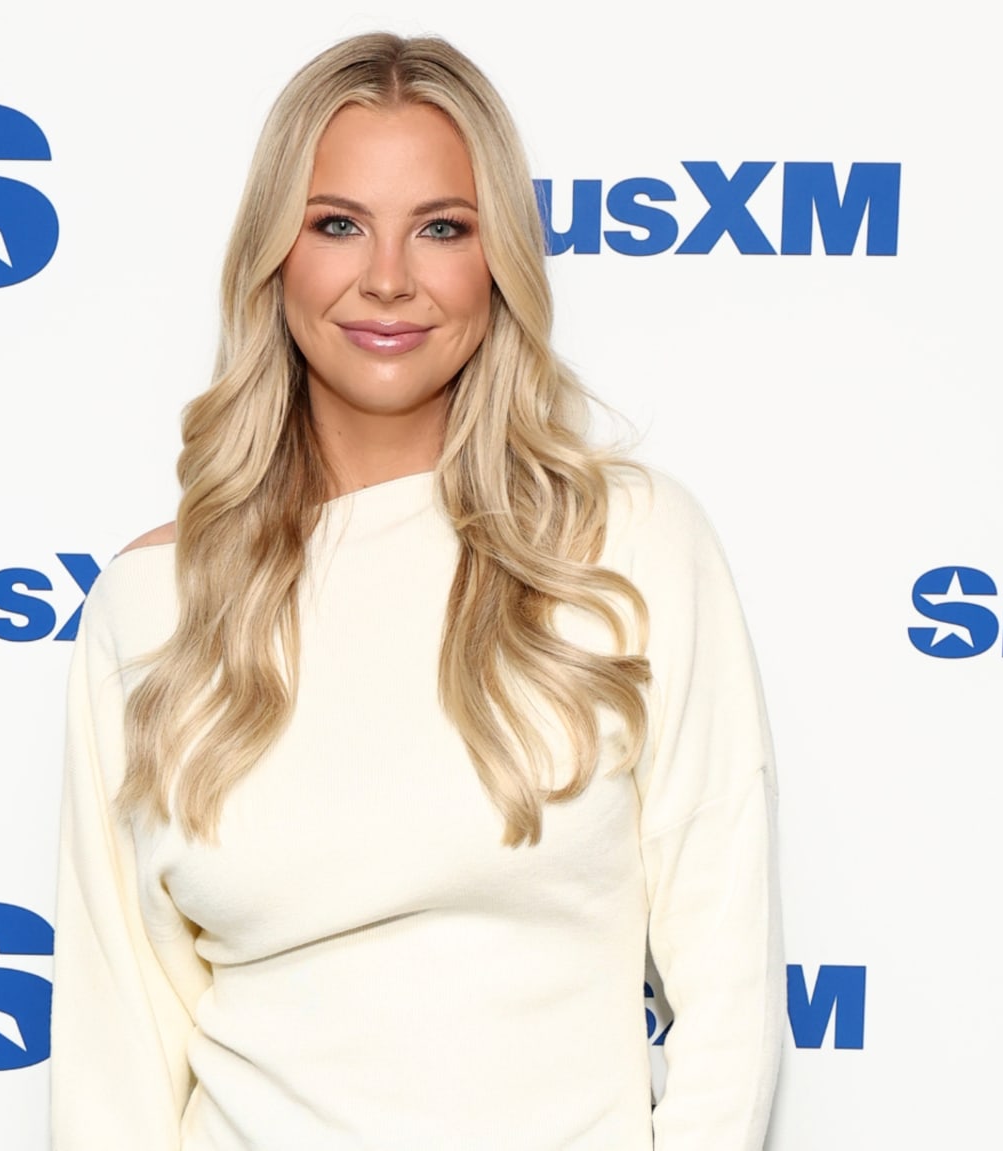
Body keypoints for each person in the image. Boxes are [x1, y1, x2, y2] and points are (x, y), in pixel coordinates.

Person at [52, 32, 782, 1150]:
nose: (385, 276)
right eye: (336, 223)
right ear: (272, 256)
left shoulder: (628, 544)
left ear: (497, 262)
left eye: (440, 227)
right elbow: (115, 1049)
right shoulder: (152, 601)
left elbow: (728, 991)